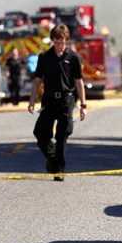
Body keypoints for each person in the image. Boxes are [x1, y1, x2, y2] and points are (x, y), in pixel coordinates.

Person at [27, 25, 87, 181]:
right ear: (53, 40)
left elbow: (79, 82)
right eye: (57, 41)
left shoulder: (73, 57)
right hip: (49, 100)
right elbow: (37, 80)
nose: (61, 45)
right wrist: (32, 100)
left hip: (66, 100)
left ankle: (59, 169)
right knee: (40, 133)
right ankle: (53, 159)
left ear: (67, 40)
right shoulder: (44, 57)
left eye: (63, 42)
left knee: (62, 134)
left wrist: (83, 105)